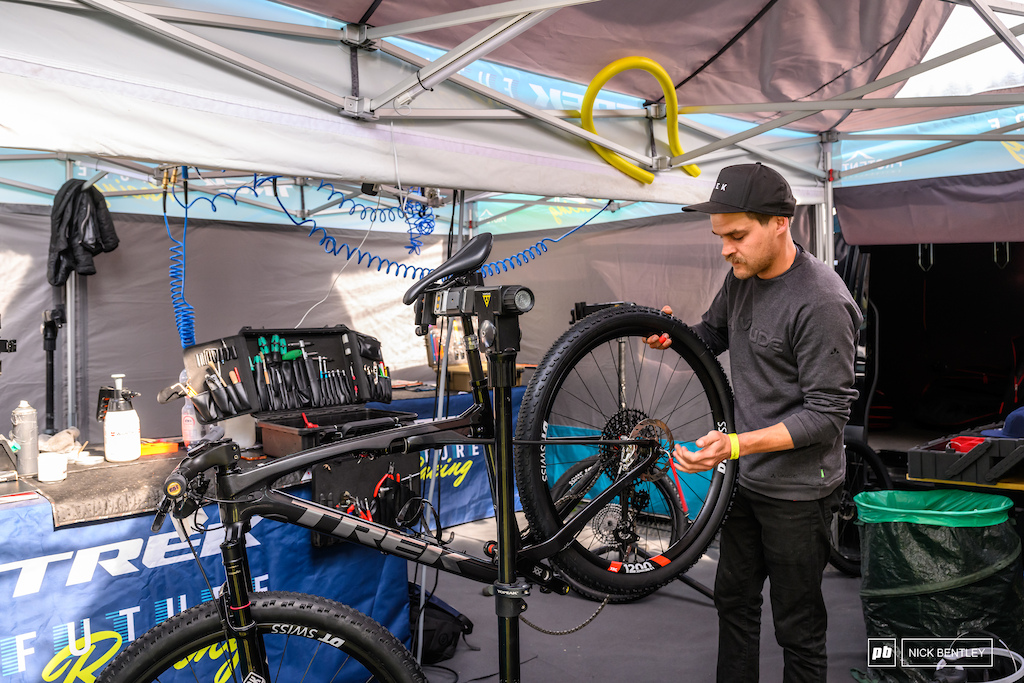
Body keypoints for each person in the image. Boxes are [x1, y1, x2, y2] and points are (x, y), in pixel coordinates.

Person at [646, 162, 861, 682]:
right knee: (734, 603)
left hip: (797, 493)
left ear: (780, 223)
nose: (726, 249)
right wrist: (670, 333)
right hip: (744, 480)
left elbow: (827, 416)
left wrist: (736, 445)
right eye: (720, 236)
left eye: (737, 235)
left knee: (798, 626)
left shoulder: (822, 301)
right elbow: (711, 336)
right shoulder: (743, 276)